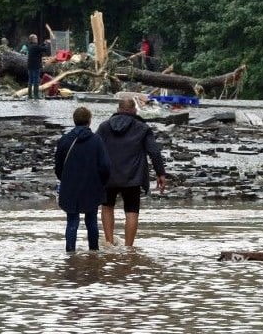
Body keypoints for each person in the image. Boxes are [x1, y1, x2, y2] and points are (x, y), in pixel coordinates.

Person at [96, 97, 168, 247]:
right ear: (135, 110)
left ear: (117, 110)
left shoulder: (104, 127)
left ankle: (109, 243)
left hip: (108, 176)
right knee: (131, 211)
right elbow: (154, 152)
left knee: (107, 207)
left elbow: (94, 150)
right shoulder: (142, 128)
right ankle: (129, 248)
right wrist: (160, 173)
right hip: (132, 177)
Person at [54, 107, 110, 252]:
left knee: (72, 221)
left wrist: (65, 179)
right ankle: (94, 252)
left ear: (74, 120)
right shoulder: (97, 140)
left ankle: (70, 253)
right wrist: (101, 182)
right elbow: (105, 166)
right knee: (91, 220)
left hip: (70, 186)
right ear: (90, 121)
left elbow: (58, 167)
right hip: (91, 186)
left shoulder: (64, 140)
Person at [26, 34, 50, 100]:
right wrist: (47, 43)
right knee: (36, 81)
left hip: (30, 66)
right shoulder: (35, 47)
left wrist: (43, 43)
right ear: (32, 40)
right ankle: (36, 96)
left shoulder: (30, 46)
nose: (37, 39)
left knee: (30, 81)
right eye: (35, 38)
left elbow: (39, 47)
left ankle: (30, 95)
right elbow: (44, 49)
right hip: (35, 66)